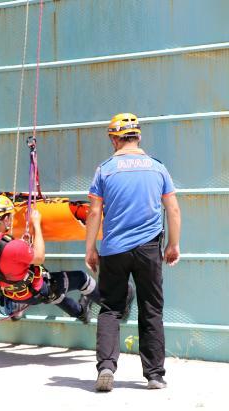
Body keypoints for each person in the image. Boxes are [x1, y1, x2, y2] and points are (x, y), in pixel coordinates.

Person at [85, 113, 181, 392]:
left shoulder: (105, 169)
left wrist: (90, 248)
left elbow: (94, 212)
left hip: (114, 249)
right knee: (151, 309)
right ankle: (154, 375)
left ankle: (106, 367)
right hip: (150, 248)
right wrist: (173, 245)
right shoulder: (157, 168)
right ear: (138, 136)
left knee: (111, 308)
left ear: (114, 139)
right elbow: (172, 209)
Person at [0, 195, 104, 322]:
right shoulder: (13, 246)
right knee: (81, 279)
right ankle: (111, 307)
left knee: (55, 293)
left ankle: (80, 313)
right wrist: (36, 225)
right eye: (10, 217)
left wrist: (24, 247)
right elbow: (39, 258)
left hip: (12, 294)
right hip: (36, 291)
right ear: (5, 219)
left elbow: (1, 264)